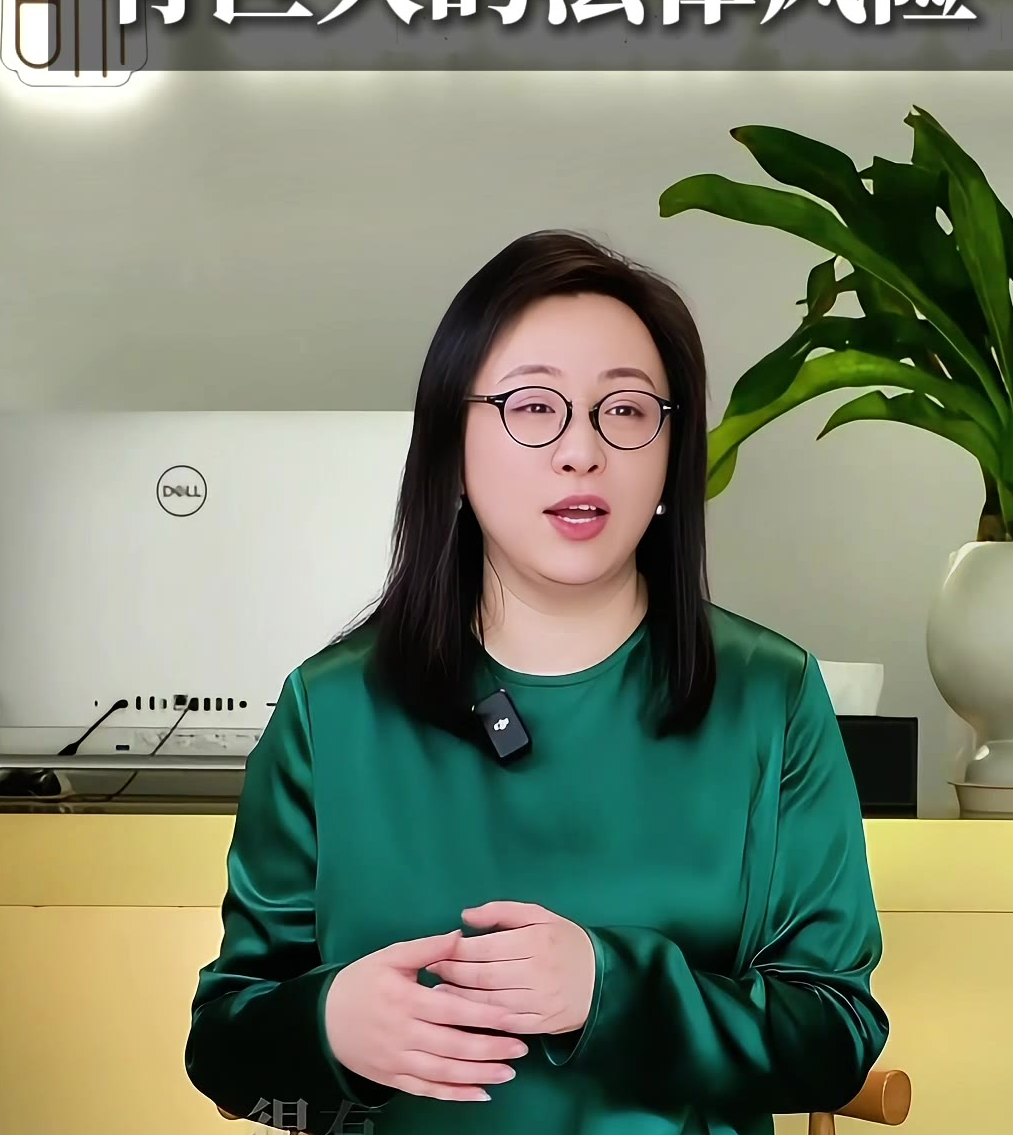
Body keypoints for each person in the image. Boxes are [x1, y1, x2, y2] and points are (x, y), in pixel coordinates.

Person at [184, 229, 889, 1135]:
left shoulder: (769, 694)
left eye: (625, 410)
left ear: (672, 451)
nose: (580, 451)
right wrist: (328, 1026)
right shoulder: (332, 708)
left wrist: (612, 989)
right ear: (452, 444)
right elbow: (225, 1046)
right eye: (532, 406)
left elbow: (835, 1034)